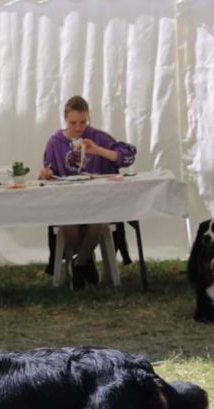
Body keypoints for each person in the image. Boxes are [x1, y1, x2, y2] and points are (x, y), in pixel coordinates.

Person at [40, 96, 136, 290]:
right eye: (73, 123)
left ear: (88, 118)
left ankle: (78, 263)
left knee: (98, 222)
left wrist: (98, 150)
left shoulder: (98, 138)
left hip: (97, 203)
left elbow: (127, 157)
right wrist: (46, 174)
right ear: (65, 120)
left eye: (83, 122)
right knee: (68, 223)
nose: (78, 128)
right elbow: (47, 175)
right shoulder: (55, 143)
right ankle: (85, 261)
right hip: (68, 204)